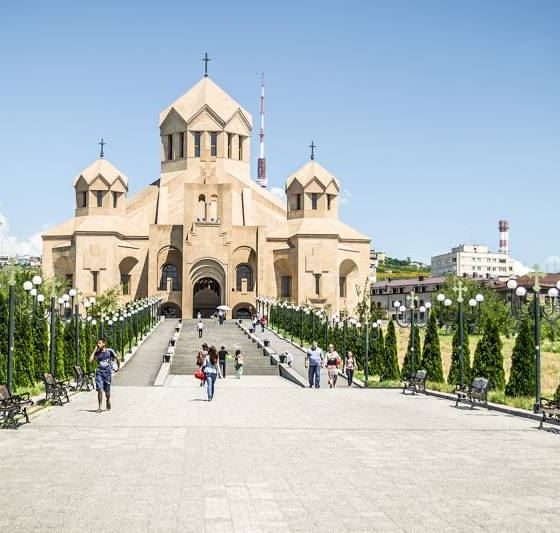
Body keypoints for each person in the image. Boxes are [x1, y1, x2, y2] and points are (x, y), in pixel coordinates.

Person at [89, 338, 120, 413]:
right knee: (100, 389)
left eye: (99, 343)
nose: (98, 344)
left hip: (107, 373)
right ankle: (99, 407)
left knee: (107, 392)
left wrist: (118, 367)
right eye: (97, 343)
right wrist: (94, 350)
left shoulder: (109, 351)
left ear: (104, 344)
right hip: (99, 372)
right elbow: (90, 360)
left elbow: (117, 358)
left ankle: (108, 400)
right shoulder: (97, 352)